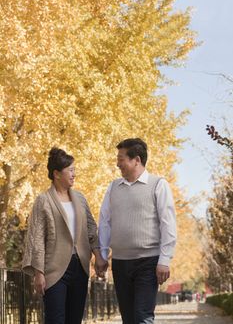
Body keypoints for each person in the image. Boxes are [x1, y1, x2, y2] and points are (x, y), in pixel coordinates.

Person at [22, 147, 107, 324]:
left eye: (74, 170)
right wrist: (39, 273)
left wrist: (98, 256)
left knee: (74, 319)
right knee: (55, 319)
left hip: (80, 267)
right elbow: (37, 237)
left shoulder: (80, 198)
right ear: (57, 174)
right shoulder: (43, 200)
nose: (74, 174)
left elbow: (91, 229)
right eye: (70, 170)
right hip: (54, 269)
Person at [98, 138, 176, 324]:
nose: (118, 163)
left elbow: (168, 224)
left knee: (143, 316)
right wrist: (102, 254)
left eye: (121, 158)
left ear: (137, 160)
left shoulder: (158, 184)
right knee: (129, 318)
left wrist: (164, 260)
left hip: (148, 262)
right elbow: (105, 222)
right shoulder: (113, 187)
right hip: (120, 262)